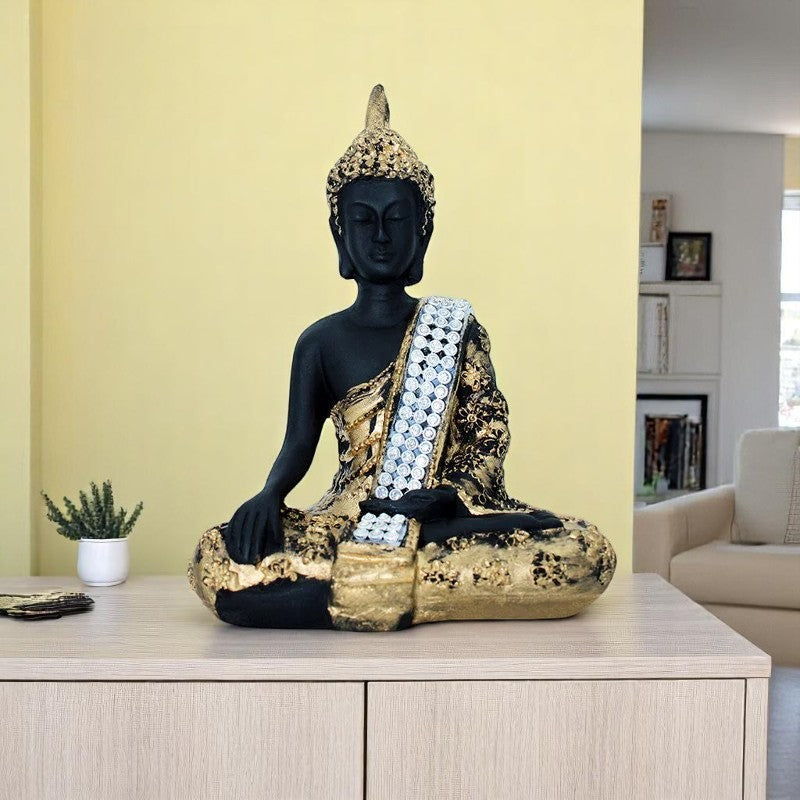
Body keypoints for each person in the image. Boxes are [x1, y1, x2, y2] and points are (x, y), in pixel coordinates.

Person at [188, 85, 616, 631]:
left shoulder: (455, 328)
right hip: (350, 520)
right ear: (339, 233)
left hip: (442, 522)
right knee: (217, 555)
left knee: (581, 549)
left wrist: (448, 498)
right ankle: (412, 592)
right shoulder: (320, 342)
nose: (381, 236)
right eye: (363, 220)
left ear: (423, 231)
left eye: (396, 219)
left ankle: (356, 592)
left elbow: (488, 436)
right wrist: (269, 495)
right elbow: (297, 445)